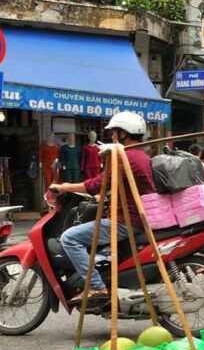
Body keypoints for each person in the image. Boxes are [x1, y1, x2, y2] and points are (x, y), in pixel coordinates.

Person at [54, 112, 156, 302]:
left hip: (125, 220)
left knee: (69, 238)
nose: (112, 137)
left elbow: (96, 184)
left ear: (124, 134)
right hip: (135, 216)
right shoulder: (140, 155)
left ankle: (96, 286)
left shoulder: (125, 157)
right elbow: (112, 185)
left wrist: (64, 186)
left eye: (115, 132)